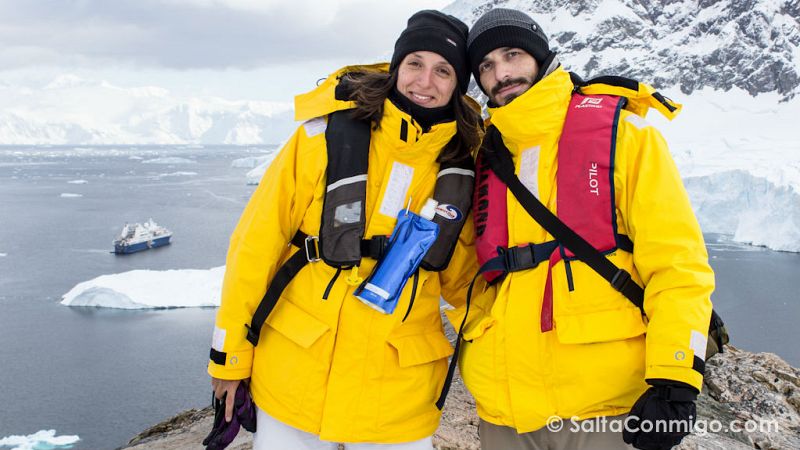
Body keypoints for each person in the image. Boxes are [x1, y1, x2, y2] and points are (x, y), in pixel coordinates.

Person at [207, 10, 482, 450]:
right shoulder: (322, 139)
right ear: (396, 68)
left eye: (443, 70)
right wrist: (229, 358)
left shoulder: (464, 169)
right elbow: (255, 246)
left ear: (458, 85)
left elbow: (469, 286)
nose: (424, 81)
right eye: (414, 63)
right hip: (295, 379)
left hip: (397, 398)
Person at [447, 8, 715, 450]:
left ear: (540, 56)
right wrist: (480, 333)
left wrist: (675, 378)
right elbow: (463, 280)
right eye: (487, 65)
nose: (501, 73)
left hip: (604, 411)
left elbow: (678, 265)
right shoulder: (483, 155)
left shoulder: (625, 136)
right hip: (504, 410)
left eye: (512, 54)